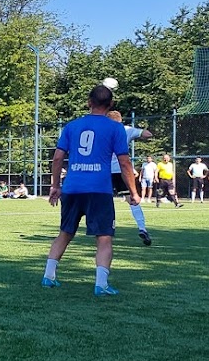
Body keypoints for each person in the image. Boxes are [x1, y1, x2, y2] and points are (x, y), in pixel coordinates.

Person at [42, 85, 140, 296]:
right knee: (104, 237)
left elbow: (58, 157)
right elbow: (124, 163)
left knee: (65, 233)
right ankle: (101, 284)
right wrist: (133, 191)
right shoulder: (116, 129)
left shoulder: (72, 126)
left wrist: (55, 186)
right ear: (111, 104)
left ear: (89, 102)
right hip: (99, 190)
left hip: (72, 187)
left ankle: (49, 276)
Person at [108, 110, 153, 245]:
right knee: (133, 200)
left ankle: (109, 228)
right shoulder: (126, 129)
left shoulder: (103, 130)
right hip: (122, 171)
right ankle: (142, 228)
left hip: (104, 171)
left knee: (105, 201)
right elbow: (148, 134)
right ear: (120, 120)